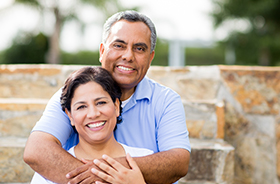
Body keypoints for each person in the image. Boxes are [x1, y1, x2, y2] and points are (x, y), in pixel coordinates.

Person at [24, 10, 191, 184]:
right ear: (102, 51)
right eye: (119, 45)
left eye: (139, 48)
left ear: (151, 58)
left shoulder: (165, 101)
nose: (128, 56)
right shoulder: (73, 94)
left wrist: (106, 173)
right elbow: (37, 150)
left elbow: (178, 162)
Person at [30, 67, 152, 184]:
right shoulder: (50, 170)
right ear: (70, 116)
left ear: (116, 106)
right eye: (81, 107)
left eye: (101, 102)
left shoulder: (145, 157)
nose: (93, 114)